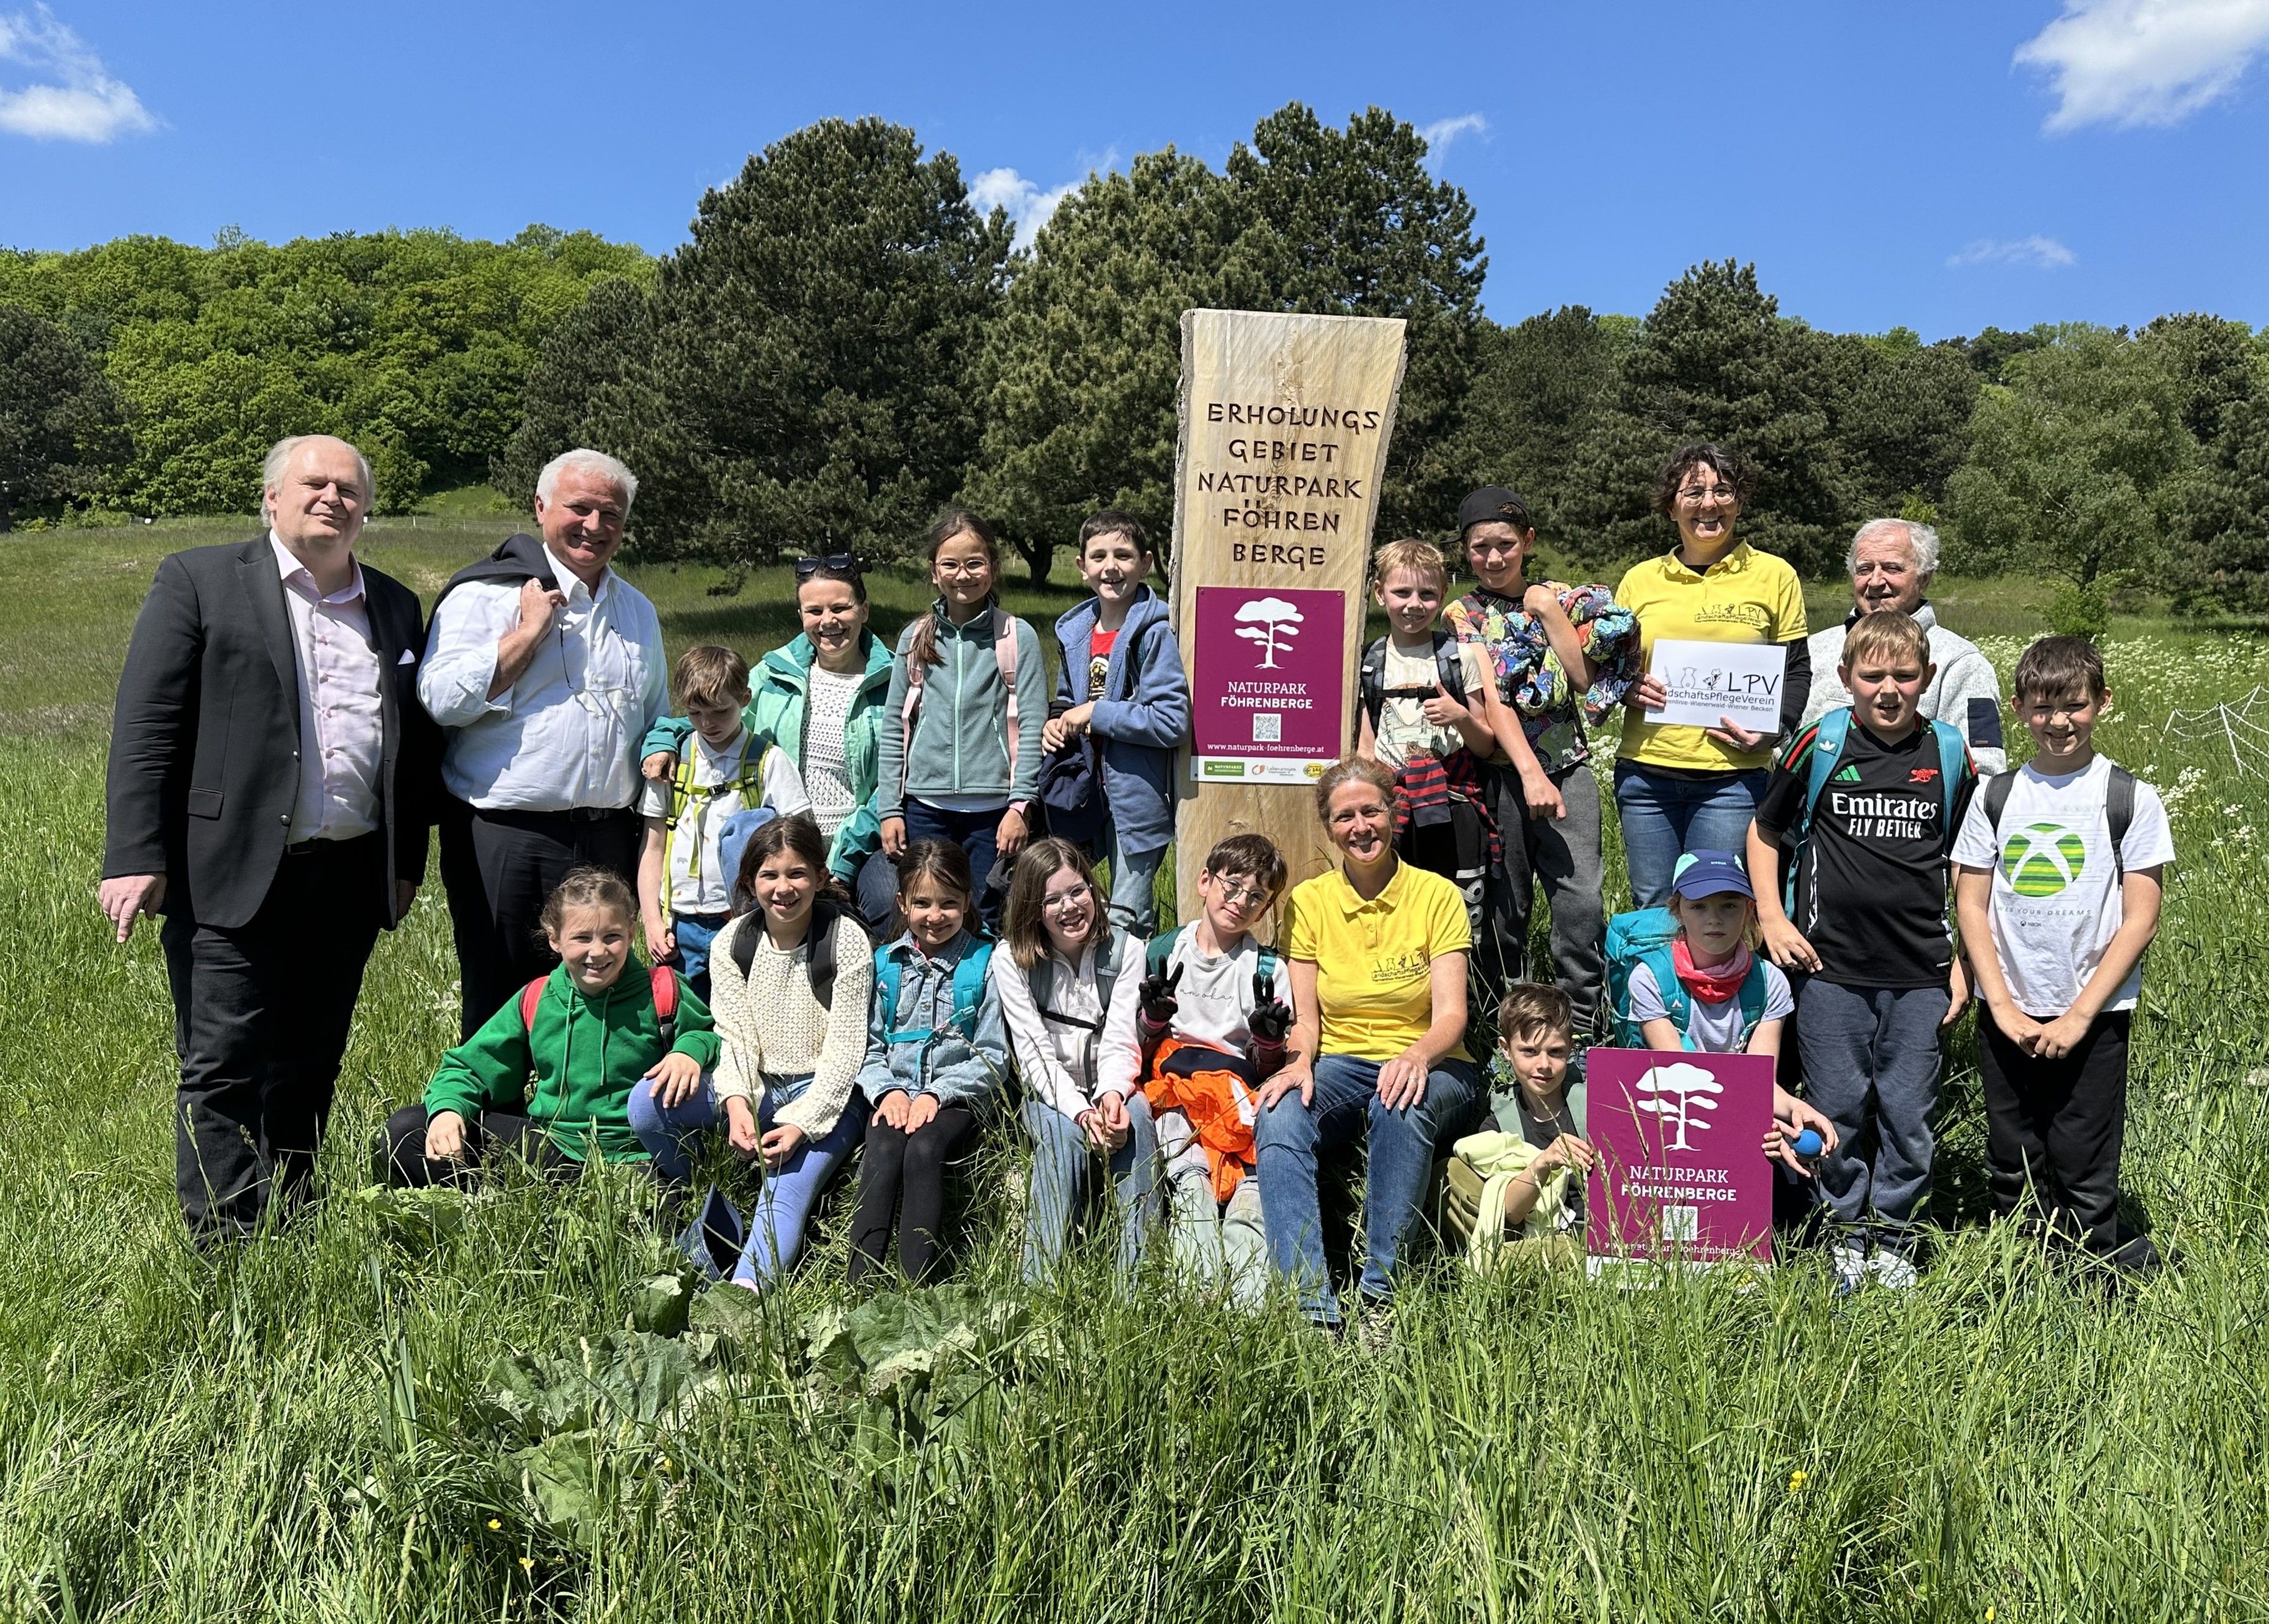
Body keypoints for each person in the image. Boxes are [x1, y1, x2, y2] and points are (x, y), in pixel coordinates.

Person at [101, 434, 440, 1238]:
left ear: (367, 507)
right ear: (272, 499)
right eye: (314, 484)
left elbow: (414, 747)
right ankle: (226, 1241)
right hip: (229, 866)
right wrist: (134, 855)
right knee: (223, 1064)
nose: (332, 498)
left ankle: (292, 1213)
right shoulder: (201, 580)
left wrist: (406, 863)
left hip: (349, 871)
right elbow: (147, 725)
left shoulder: (393, 604)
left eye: (349, 489)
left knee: (311, 1058)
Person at [1747, 611, 1975, 1290]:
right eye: (1871, 674)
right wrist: (1770, 916)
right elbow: (1764, 830)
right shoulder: (1821, 742)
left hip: (1920, 973)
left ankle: (1897, 1239)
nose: (1887, 688)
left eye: (1904, 675)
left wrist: (1962, 954)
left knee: (1908, 1114)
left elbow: (1968, 863)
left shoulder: (1949, 750)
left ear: (1926, 679)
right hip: (1828, 969)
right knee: (1837, 1108)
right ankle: (1844, 1232)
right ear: (1844, 677)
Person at [420, 448, 668, 1038]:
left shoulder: (637, 611)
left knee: (598, 998)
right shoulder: (484, 595)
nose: (595, 526)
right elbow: (441, 700)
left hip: (609, 831)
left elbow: (657, 715)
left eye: (611, 514)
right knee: (501, 996)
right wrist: (528, 633)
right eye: (579, 508)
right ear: (540, 507)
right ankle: (488, 1123)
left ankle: (581, 1121)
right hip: (506, 835)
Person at [1953, 636, 2172, 1274]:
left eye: (2074, 705)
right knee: (2012, 1150)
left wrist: (2079, 1014)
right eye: (2043, 708)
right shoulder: (1994, 796)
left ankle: (2090, 1272)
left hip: (2094, 1012)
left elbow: (2141, 916)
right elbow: (1970, 905)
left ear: (2102, 702)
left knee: (2082, 1151)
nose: (2059, 722)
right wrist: (2000, 1004)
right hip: (2007, 1009)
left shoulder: (2130, 797)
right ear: (2019, 708)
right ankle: (2020, 1267)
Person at [1255, 757, 1484, 1330]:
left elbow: (1453, 1016)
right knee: (1279, 1111)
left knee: (1399, 1100)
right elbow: (1305, 1020)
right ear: (1328, 827)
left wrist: (1416, 1056)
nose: (1360, 827)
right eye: (1344, 817)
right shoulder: (1310, 902)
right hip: (1344, 1062)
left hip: (1436, 1063)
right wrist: (1299, 1061)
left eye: (1371, 811)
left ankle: (1380, 1298)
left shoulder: (1436, 896)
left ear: (1394, 813)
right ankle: (1309, 1306)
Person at [628, 815, 874, 1291]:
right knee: (647, 1103)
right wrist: (736, 1103)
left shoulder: (846, 941)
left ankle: (739, 1302)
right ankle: (696, 1192)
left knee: (783, 1197)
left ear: (821, 878)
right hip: (759, 1086)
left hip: (826, 1096)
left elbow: (846, 1051)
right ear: (749, 882)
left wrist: (802, 1123)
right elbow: (735, 1037)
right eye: (769, 876)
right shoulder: (732, 943)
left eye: (797, 873)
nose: (784, 888)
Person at [381, 867, 718, 1185]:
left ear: (632, 933)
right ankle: (487, 1208)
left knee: (664, 1220)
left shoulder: (663, 989)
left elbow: (712, 1037)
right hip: (551, 1148)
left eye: (612, 936)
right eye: (582, 938)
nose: (597, 952)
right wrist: (449, 1110)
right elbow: (471, 1067)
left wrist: (689, 1053)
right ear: (554, 940)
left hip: (639, 1156)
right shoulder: (538, 997)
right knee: (408, 1131)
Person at [1446, 489, 1638, 1033]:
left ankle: (1580, 1024)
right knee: (1505, 907)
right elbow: (1493, 697)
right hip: (1502, 777)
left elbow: (1581, 680)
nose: (1494, 557)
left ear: (1527, 542)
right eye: (1480, 547)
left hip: (1570, 767)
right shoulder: (1463, 614)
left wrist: (1551, 612)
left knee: (1580, 904)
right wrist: (1529, 773)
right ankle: (1505, 1023)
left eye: (1506, 544)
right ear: (1466, 552)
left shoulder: (1558, 595)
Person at [641, 556, 899, 932]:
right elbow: (711, 711)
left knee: (885, 901)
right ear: (801, 614)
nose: (828, 621)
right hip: (780, 835)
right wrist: (662, 740)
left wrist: (841, 860)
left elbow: (894, 778)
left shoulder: (893, 681)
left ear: (863, 610)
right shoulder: (775, 673)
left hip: (862, 838)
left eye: (840, 607)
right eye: (814, 610)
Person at [1096, 834, 1295, 1304]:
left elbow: (1269, 1066)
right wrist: (1154, 1019)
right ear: (1206, 881)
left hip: (1237, 1094)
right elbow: (1135, 1048)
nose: (1240, 901)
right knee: (1191, 1184)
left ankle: (1248, 1307)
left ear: (1265, 909)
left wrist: (1268, 1041)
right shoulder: (1163, 951)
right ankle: (1197, 1295)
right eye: (1232, 886)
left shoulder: (1267, 969)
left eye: (1256, 896)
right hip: (1174, 1088)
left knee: (1250, 1197)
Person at [1614, 444, 1811, 907]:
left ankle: (1717, 985)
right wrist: (1626, 687)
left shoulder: (1774, 575)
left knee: (1717, 908)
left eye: (1723, 491)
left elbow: (1796, 669)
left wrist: (1774, 730)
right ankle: (1654, 985)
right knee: (1655, 907)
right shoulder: (1639, 580)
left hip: (1733, 780)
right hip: (1646, 777)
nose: (1709, 504)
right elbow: (1613, 670)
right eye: (1694, 492)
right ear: (1670, 506)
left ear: (1739, 502)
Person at [994, 837, 1159, 1282]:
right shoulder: (1011, 959)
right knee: (1061, 1135)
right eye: (1052, 900)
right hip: (1050, 1095)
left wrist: (1111, 1096)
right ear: (1033, 907)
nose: (1070, 907)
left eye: (1078, 891)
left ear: (1093, 889)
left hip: (1112, 1083)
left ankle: (1137, 1279)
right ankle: (1039, 1283)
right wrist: (1083, 1114)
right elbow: (1034, 1056)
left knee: (1140, 1121)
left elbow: (1124, 1038)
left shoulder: (1127, 950)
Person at [851, 839, 1012, 1284]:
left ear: (967, 901)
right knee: (883, 1148)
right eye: (921, 903)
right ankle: (860, 1283)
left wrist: (938, 1094)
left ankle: (914, 1287)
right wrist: (890, 1090)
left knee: (923, 1149)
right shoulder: (884, 964)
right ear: (902, 903)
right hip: (896, 1094)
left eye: (948, 904)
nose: (934, 916)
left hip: (959, 1098)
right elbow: (868, 1045)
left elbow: (994, 1055)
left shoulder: (987, 962)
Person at [876, 510, 1048, 924]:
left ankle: (983, 989)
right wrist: (890, 810)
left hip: (994, 813)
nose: (963, 575)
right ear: (934, 572)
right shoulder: (916, 638)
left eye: (975, 563)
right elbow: (895, 729)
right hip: (925, 807)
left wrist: (1019, 807)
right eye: (950, 564)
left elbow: (1031, 728)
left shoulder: (1016, 636)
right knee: (930, 913)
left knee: (986, 913)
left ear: (993, 567)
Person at [1622, 850, 1836, 1175]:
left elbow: (1759, 1084)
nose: (1714, 919)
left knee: (1795, 1199)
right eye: (1698, 906)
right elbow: (1679, 1079)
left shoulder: (1771, 982)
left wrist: (1795, 1107)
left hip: (1736, 1106)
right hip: (1670, 1115)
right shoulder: (1649, 977)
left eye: (1729, 905)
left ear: (1750, 909)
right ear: (1678, 911)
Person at [1356, 537, 1519, 939]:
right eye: (1401, 592)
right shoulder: (1367, 661)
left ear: (1444, 595)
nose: (1414, 604)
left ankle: (1469, 993)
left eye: (1427, 594)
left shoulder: (1458, 657)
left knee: (1462, 907)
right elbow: (1364, 747)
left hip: (1455, 803)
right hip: (1396, 804)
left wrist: (1459, 716)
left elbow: (1484, 744)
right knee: (1398, 910)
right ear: (1380, 594)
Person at [1039, 513, 1191, 934]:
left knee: (1128, 918)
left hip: (1136, 799)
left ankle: (1137, 999)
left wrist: (1096, 712)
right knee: (1079, 913)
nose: (1111, 567)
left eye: (1123, 556)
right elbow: (1069, 702)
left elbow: (1172, 720)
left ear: (1145, 563)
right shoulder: (1075, 631)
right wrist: (1057, 724)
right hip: (1084, 794)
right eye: (1099, 555)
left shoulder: (1155, 632)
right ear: (1081, 566)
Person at [634, 644, 810, 999]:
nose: (707, 724)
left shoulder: (768, 761)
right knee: (681, 1020)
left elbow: (800, 841)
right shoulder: (671, 763)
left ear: (745, 698)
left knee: (746, 1014)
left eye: (720, 710)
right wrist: (653, 921)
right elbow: (652, 847)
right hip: (679, 926)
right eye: (695, 713)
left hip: (745, 920)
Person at [1800, 518, 2007, 775]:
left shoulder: (1962, 662)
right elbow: (1782, 752)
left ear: (1924, 579)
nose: (1875, 581)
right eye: (1864, 569)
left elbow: (1983, 769)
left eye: (1892, 568)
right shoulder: (1813, 650)